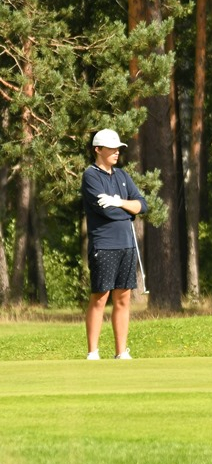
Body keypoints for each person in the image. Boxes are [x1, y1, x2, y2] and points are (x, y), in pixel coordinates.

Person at [81, 129, 148, 360]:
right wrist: (127, 210)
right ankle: (93, 352)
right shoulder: (90, 176)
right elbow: (106, 212)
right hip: (104, 244)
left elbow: (142, 205)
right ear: (98, 150)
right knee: (100, 297)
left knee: (123, 298)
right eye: (111, 148)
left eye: (118, 148)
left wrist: (119, 202)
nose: (116, 152)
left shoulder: (122, 176)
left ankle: (121, 352)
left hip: (127, 244)